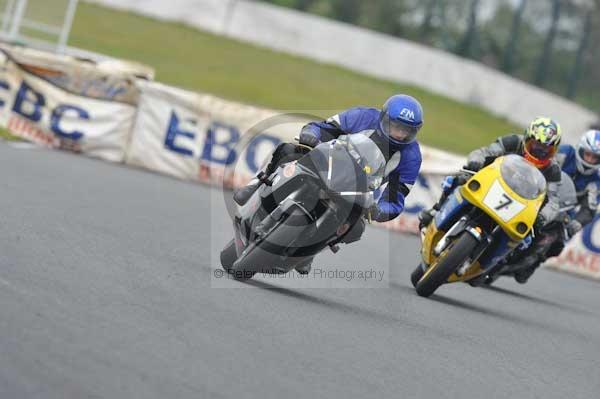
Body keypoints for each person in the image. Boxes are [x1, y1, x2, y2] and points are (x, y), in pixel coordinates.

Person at [233, 94, 424, 272]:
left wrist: (381, 210)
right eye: (396, 126)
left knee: (356, 227)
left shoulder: (411, 158)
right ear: (384, 118)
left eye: (406, 130)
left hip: (358, 189)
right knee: (288, 150)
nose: (400, 134)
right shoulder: (363, 116)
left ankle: (309, 251)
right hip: (327, 162)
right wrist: (311, 134)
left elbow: (396, 195)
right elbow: (324, 128)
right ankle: (256, 184)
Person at [419, 117, 563, 283]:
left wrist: (544, 215)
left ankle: (490, 264)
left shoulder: (553, 171)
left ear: (554, 150)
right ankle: (436, 210)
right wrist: (475, 161)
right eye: (535, 146)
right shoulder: (512, 142)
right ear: (526, 139)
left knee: (525, 239)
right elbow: (485, 152)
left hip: (519, 205)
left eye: (545, 150)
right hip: (492, 186)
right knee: (459, 179)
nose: (539, 152)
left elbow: (553, 201)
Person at [556, 129, 600, 235]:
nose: (589, 160)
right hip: (541, 197)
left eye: (595, 157)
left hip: (565, 214)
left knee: (561, 243)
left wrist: (578, 222)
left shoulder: (597, 180)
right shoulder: (565, 153)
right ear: (580, 149)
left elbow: (588, 209)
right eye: (587, 154)